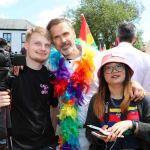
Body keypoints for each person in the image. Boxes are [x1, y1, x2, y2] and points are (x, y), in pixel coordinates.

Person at [46, 18, 145, 150]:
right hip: (68, 133)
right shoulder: (52, 63)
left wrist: (133, 82)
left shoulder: (97, 58)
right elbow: (34, 60)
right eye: (57, 37)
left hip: (97, 133)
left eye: (65, 34)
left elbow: (116, 76)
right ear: (53, 42)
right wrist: (19, 64)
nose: (63, 41)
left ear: (74, 34)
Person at [0, 26, 58, 150]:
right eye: (37, 43)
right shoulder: (12, 73)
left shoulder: (51, 77)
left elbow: (54, 108)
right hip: (17, 145)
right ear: (26, 45)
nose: (43, 49)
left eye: (47, 45)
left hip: (46, 145)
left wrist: (52, 142)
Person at [85, 52, 150, 150]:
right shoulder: (96, 100)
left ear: (126, 70)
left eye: (119, 66)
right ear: (103, 75)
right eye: (108, 68)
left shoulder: (141, 98)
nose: (114, 71)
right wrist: (100, 136)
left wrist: (132, 125)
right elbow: (89, 131)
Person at [109, 22, 150, 92]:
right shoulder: (146, 58)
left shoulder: (102, 55)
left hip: (107, 101)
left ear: (117, 38)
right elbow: (147, 90)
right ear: (134, 39)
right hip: (139, 101)